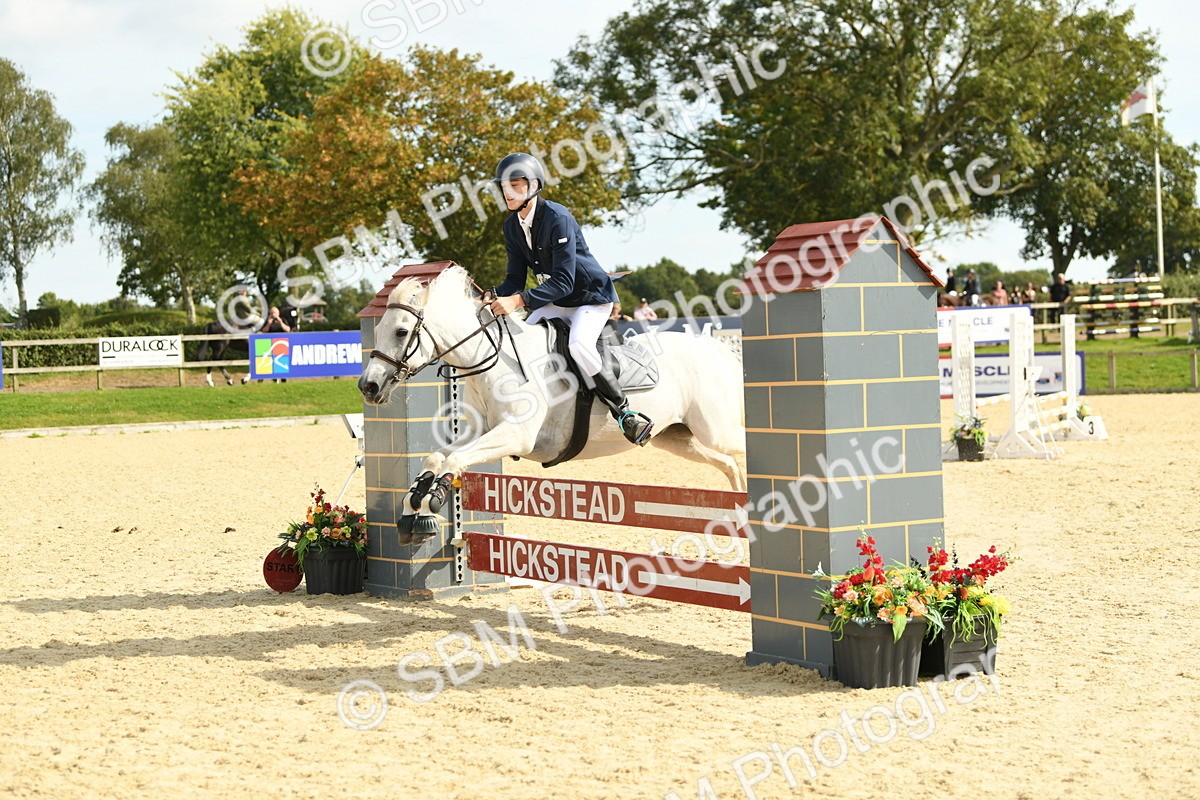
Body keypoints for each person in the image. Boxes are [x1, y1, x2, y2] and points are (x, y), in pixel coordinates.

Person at [486, 152, 653, 446]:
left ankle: (625, 412)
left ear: (534, 185)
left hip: (589, 297)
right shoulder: (511, 226)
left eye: (516, 184)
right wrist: (493, 295)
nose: (508, 191)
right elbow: (514, 278)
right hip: (555, 299)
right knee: (521, 335)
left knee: (578, 344)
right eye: (504, 186)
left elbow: (564, 281)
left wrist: (519, 301)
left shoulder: (558, 218)